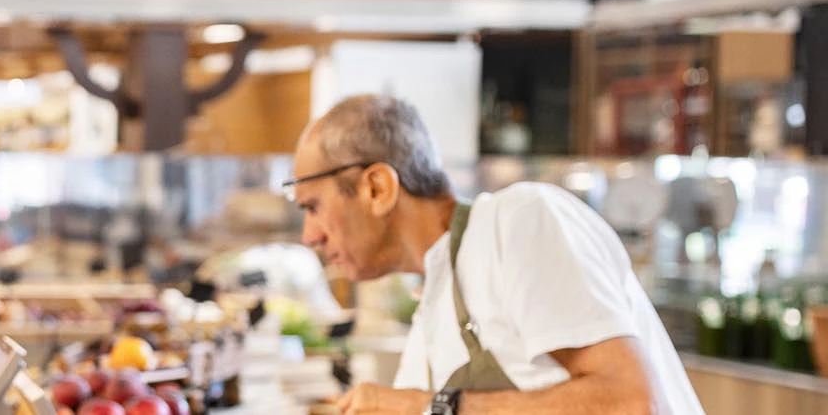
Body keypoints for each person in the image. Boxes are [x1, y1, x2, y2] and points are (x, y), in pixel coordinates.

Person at [289, 95, 700, 414]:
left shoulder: (519, 222)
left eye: (312, 207)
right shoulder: (432, 311)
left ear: (377, 188)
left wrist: (433, 406)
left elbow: (632, 404)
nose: (310, 236)